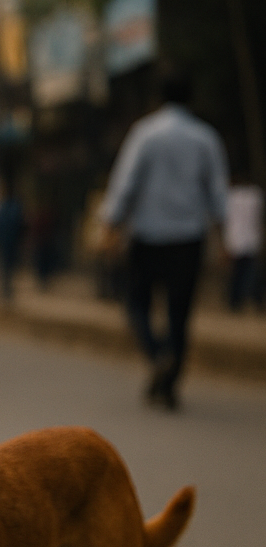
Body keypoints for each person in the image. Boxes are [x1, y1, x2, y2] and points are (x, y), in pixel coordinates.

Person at [99, 73, 229, 409]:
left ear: (159, 98)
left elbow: (125, 182)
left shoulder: (145, 134)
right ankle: (169, 382)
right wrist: (224, 238)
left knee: (137, 303)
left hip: (148, 236)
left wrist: (111, 224)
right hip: (189, 237)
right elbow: (217, 192)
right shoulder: (205, 137)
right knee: (179, 313)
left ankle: (157, 354)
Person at [225, 173, 263, 312]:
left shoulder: (234, 196)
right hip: (242, 239)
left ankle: (239, 300)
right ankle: (240, 300)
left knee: (244, 272)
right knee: (244, 272)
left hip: (242, 239)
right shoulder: (253, 195)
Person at [0, 181, 25, 303]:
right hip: (6, 240)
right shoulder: (5, 207)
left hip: (8, 240)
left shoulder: (7, 207)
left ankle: (6, 288)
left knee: (7, 264)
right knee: (5, 264)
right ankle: (5, 288)